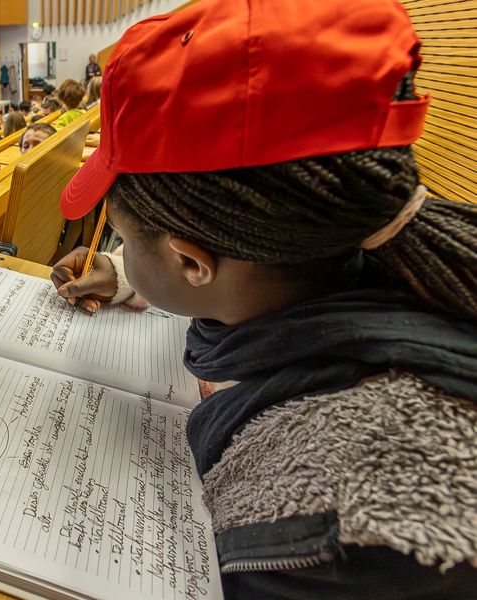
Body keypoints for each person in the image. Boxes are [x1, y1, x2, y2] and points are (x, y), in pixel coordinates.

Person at [53, 1, 477, 598]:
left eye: (121, 237)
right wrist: (125, 272)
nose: (118, 247)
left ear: (191, 260)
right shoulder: (384, 255)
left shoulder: (337, 541)